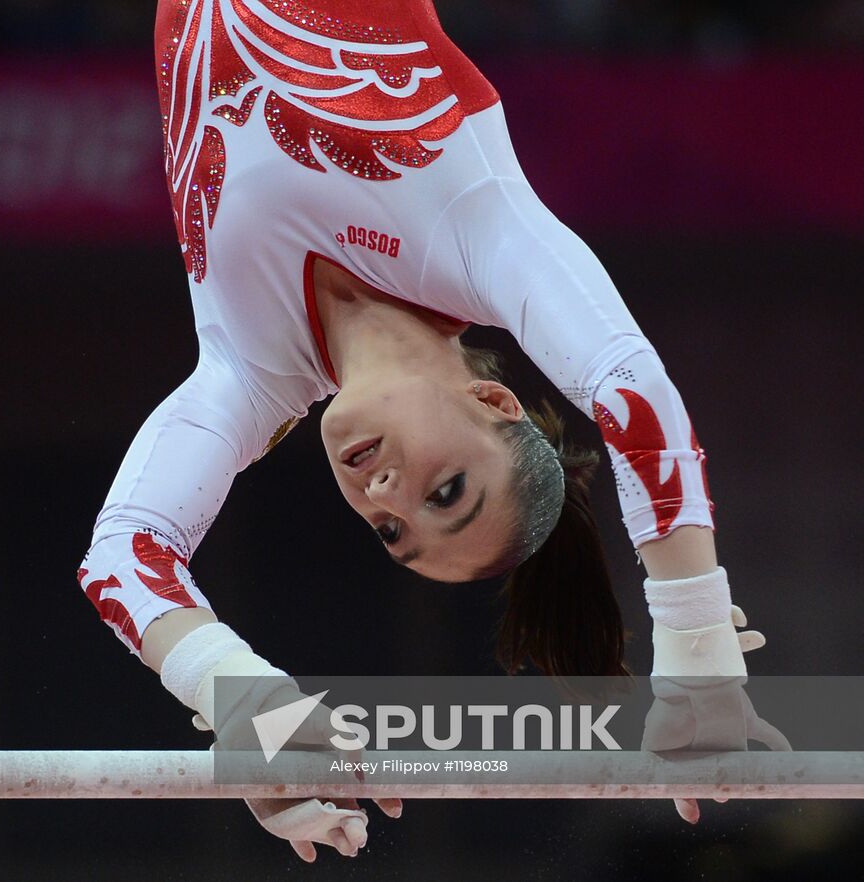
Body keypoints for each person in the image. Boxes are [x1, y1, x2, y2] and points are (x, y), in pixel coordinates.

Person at [76, 0, 772, 861]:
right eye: (447, 492)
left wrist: (246, 700)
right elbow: (632, 392)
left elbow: (123, 553)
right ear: (494, 404)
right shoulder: (482, 235)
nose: (383, 496)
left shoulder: (245, 375)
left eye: (392, 530)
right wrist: (695, 640)